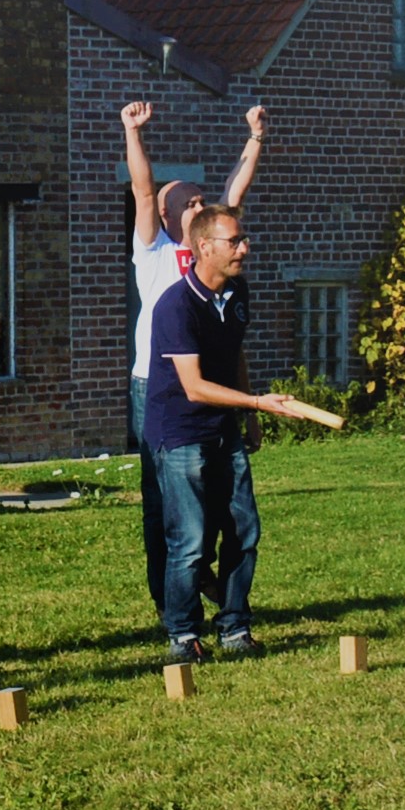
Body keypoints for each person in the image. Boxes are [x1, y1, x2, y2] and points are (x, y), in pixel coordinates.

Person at [145, 202, 342, 663]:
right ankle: (182, 636)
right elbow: (193, 387)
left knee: (243, 529)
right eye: (234, 242)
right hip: (180, 433)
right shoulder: (175, 306)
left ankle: (234, 627)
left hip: (225, 428)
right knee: (190, 541)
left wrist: (250, 418)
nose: (244, 249)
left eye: (243, 239)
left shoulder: (237, 292)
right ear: (204, 247)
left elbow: (235, 355)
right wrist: (256, 404)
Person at [123, 97, 264, 619]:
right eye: (188, 203)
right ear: (167, 215)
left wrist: (255, 137)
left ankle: (207, 580)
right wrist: (133, 132)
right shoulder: (155, 250)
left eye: (202, 201)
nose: (199, 207)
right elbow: (143, 189)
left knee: (215, 495)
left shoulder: (216, 250)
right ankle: (170, 601)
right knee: (163, 498)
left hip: (209, 381)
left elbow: (235, 192)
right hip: (154, 384)